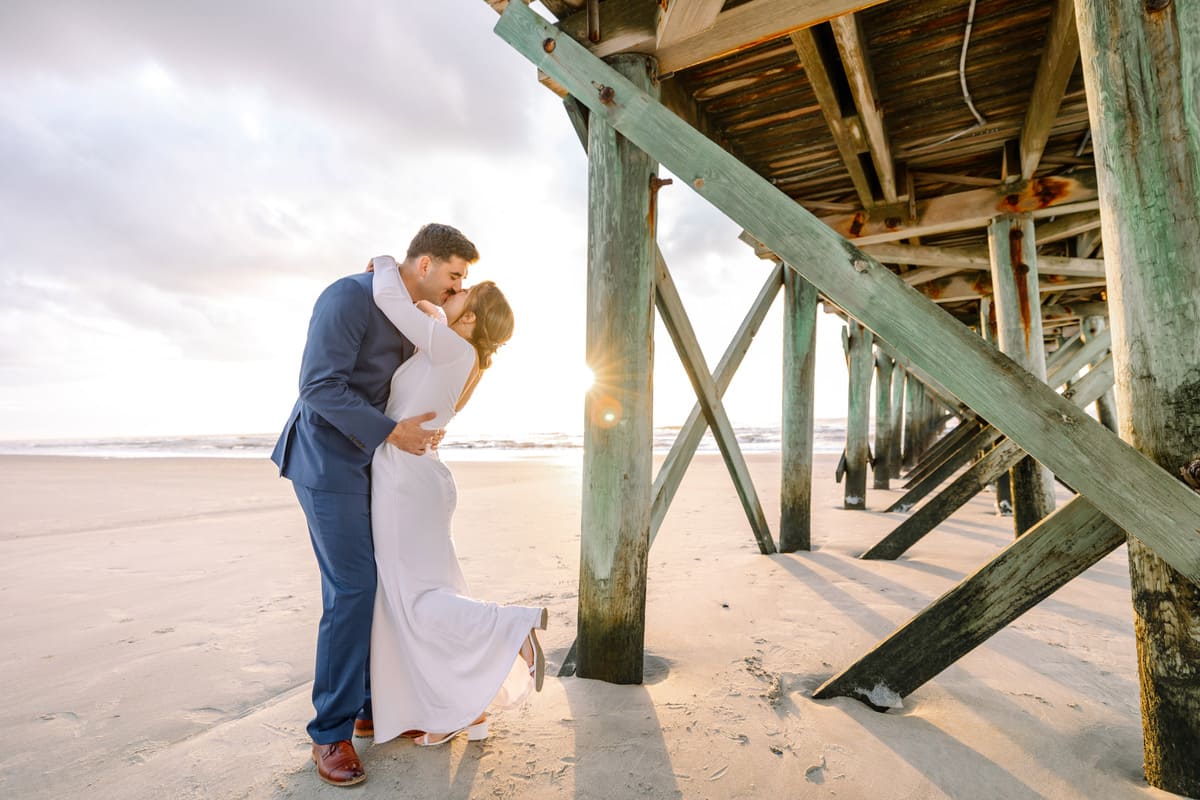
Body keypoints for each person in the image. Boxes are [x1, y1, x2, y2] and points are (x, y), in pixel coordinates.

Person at [270, 224, 478, 787]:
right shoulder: (347, 296)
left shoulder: (412, 312)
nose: (459, 285)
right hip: (324, 461)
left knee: (381, 580)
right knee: (353, 587)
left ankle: (368, 704)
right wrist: (392, 432)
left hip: (374, 466)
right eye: (456, 273)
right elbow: (318, 386)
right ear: (427, 262)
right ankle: (329, 734)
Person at [365, 254, 547, 747]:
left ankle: (513, 628)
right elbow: (426, 315)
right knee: (433, 590)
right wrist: (434, 311)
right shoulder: (457, 353)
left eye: (463, 293)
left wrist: (385, 262)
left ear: (470, 318)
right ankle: (463, 711)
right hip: (420, 478)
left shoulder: (449, 349)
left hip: (405, 481)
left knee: (412, 600)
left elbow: (386, 295)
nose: (453, 292)